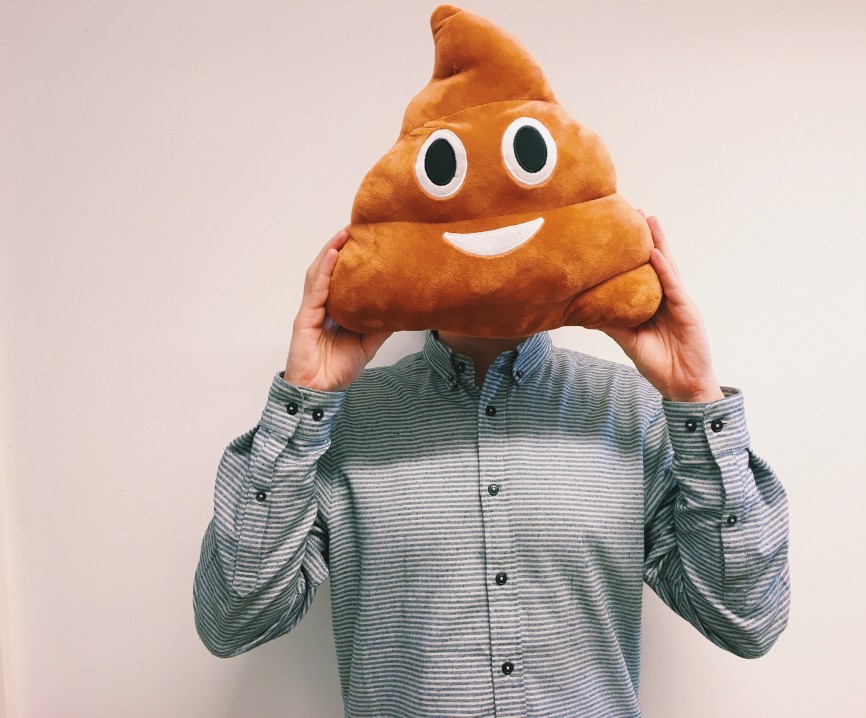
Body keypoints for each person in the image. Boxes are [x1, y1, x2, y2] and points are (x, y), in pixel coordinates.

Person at [192, 212, 790, 718]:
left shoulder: (633, 412)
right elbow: (232, 621)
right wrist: (304, 401)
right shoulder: (341, 424)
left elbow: (748, 620)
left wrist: (694, 399)